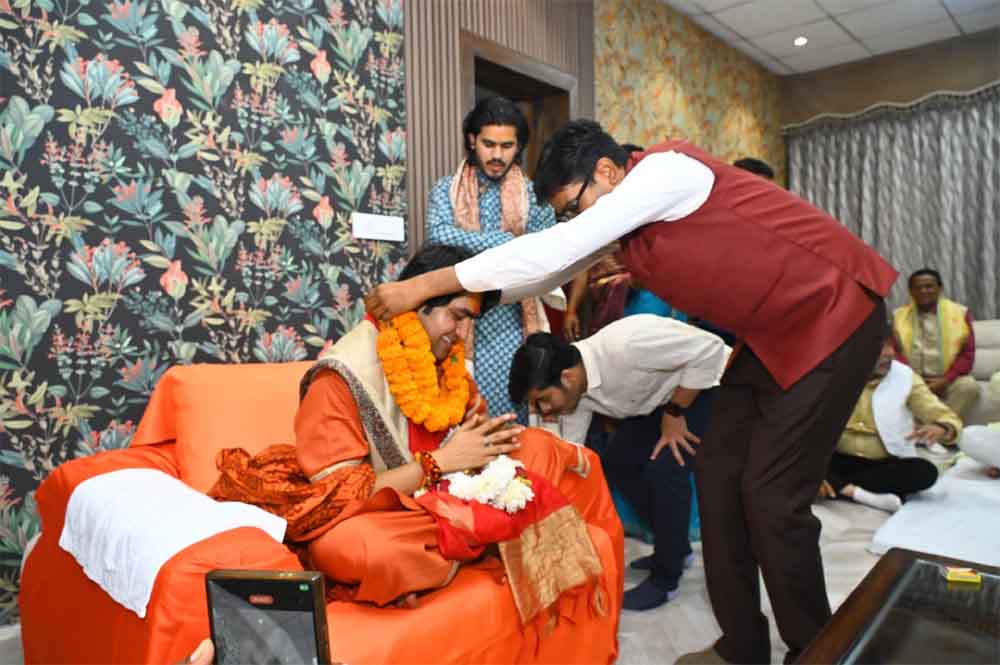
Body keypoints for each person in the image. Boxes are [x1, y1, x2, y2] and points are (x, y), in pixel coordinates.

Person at [365, 120, 898, 664]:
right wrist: (459, 302)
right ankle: (741, 646)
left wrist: (423, 285)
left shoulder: (666, 173)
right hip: (768, 337)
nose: (575, 223)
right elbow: (545, 271)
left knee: (771, 497)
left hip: (833, 313)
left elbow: (554, 250)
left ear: (607, 170)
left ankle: (818, 651)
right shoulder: (625, 222)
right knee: (717, 477)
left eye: (574, 207)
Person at [210, 245, 623, 644]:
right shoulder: (339, 377)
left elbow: (472, 430)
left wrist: (485, 445)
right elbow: (339, 497)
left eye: (470, 322)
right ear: (416, 304)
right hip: (383, 511)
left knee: (541, 448)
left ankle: (476, 539)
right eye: (457, 317)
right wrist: (440, 462)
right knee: (361, 548)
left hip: (446, 495)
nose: (463, 334)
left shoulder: (445, 360)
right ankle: (487, 539)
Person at [509, 315, 728, 611]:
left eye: (543, 400)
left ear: (567, 377)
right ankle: (675, 545)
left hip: (709, 386)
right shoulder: (576, 393)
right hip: (662, 400)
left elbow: (710, 348)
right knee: (617, 462)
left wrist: (675, 413)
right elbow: (568, 454)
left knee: (665, 469)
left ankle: (666, 579)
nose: (544, 410)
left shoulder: (626, 346)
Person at [425, 97, 557, 423]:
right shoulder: (447, 190)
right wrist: (504, 243)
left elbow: (544, 249)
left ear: (519, 146)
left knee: (511, 412)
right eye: (489, 144)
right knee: (459, 409)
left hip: (512, 319)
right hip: (456, 316)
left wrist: (485, 245)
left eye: (507, 146)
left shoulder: (533, 196)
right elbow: (438, 235)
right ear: (473, 140)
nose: (497, 155)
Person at [817, 331, 961, 513]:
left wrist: (942, 427)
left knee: (926, 472)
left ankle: (836, 485)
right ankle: (856, 493)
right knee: (800, 462)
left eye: (892, 346)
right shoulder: (834, 373)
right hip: (836, 458)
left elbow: (946, 417)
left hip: (884, 462)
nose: (890, 353)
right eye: (881, 347)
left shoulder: (905, 377)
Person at [892, 268, 979, 419]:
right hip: (910, 379)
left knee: (969, 386)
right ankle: (939, 427)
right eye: (918, 287)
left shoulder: (959, 313)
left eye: (929, 286)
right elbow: (894, 352)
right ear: (911, 291)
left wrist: (945, 380)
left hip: (947, 380)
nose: (923, 291)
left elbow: (967, 354)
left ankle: (940, 426)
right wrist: (914, 380)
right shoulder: (898, 316)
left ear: (940, 288)